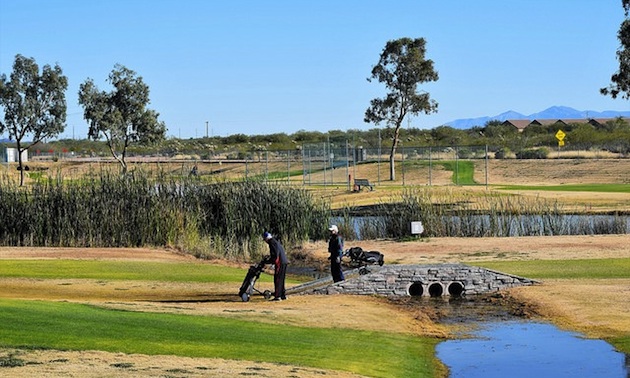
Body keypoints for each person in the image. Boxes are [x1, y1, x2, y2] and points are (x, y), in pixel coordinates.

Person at [262, 232, 288, 301]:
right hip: (284, 262)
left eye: (265, 239)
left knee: (277, 279)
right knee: (281, 279)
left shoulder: (272, 243)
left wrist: (268, 262)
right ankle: (283, 295)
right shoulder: (275, 242)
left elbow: (275, 255)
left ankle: (278, 296)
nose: (265, 241)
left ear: (266, 238)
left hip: (280, 262)